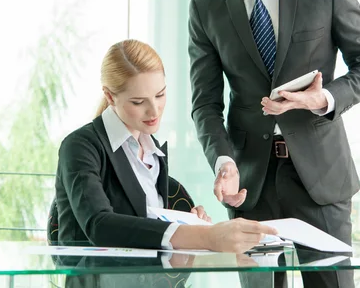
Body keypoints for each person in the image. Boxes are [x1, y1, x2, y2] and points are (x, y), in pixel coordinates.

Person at [188, 0, 360, 288]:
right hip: (250, 184)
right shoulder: (205, 9)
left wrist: (325, 98)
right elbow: (205, 103)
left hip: (321, 178)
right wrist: (223, 162)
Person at [55, 39, 278, 255]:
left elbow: (144, 228)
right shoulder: (80, 147)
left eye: (160, 95)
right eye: (138, 102)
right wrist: (204, 237)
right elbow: (100, 225)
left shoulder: (153, 153)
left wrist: (188, 224)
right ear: (109, 97)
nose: (154, 111)